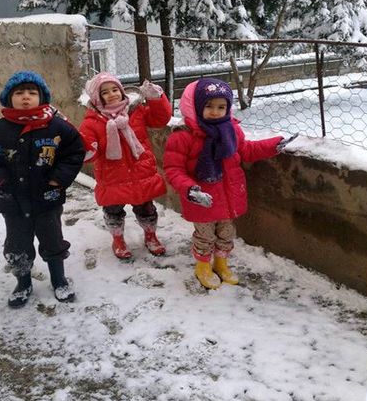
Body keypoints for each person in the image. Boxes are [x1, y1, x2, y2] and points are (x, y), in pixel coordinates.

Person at [0, 71, 86, 307]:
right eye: (19, 93)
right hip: (12, 201)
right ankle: (23, 282)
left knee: (53, 240)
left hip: (47, 198)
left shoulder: (58, 128)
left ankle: (59, 279)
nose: (26, 97)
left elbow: (74, 153)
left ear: (42, 97)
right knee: (17, 244)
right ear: (9, 98)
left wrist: (58, 179)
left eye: (32, 92)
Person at [163, 78, 290, 290]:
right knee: (205, 236)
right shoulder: (183, 136)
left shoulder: (231, 131)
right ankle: (203, 266)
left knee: (226, 233)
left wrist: (274, 145)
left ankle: (221, 263)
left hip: (229, 196)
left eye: (221, 107)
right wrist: (190, 189)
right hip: (202, 199)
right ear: (194, 106)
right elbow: (173, 169)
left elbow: (246, 150)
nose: (215, 112)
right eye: (209, 106)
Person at [79, 73, 172, 260]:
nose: (112, 94)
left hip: (140, 173)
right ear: (97, 98)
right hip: (113, 176)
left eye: (115, 89)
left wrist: (156, 98)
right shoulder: (92, 122)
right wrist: (86, 149)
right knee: (113, 212)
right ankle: (118, 240)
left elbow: (160, 119)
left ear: (122, 91)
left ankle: (150, 236)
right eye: (105, 92)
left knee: (146, 209)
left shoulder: (136, 111)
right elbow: (88, 151)